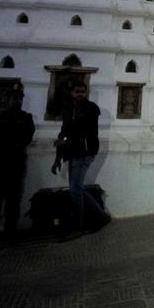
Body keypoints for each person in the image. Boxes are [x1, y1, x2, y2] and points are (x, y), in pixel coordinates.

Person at [51, 81, 110, 239]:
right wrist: (58, 157)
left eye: (83, 91)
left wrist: (66, 142)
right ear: (72, 93)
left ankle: (79, 225)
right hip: (72, 152)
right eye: (77, 91)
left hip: (85, 152)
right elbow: (64, 131)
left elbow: (83, 131)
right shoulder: (69, 109)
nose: (80, 94)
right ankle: (101, 216)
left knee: (75, 189)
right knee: (76, 188)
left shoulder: (91, 109)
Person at [0, 88, 35, 236]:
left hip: (16, 161)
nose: (17, 101)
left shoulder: (26, 117)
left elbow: (27, 136)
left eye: (19, 99)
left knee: (14, 196)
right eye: (14, 98)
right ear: (8, 100)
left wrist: (13, 145)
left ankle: (10, 227)